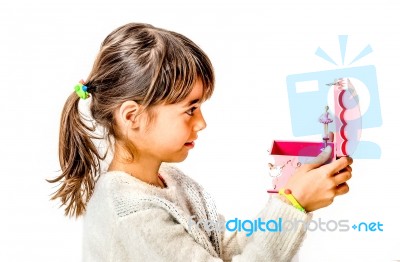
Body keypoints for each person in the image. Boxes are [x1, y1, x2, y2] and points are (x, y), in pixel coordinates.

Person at [48, 22, 352, 261]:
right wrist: (293, 206)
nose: (202, 122)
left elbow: (225, 247)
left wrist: (291, 197)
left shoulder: (169, 181)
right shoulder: (132, 214)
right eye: (190, 109)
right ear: (133, 117)